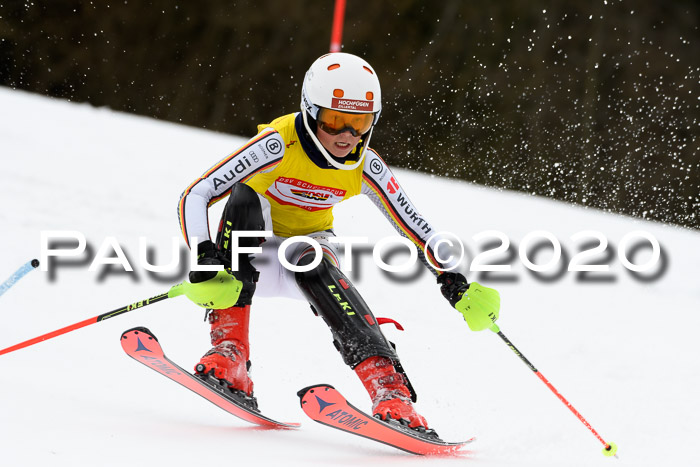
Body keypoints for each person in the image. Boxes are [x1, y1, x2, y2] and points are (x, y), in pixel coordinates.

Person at [177, 52, 500, 436]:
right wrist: (203, 255)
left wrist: (453, 278)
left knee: (312, 259)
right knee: (243, 200)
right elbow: (196, 194)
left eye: (360, 123)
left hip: (305, 253)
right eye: (335, 121)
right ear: (311, 112)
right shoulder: (278, 144)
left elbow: (418, 228)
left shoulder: (365, 165)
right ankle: (230, 355)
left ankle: (390, 393)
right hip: (249, 256)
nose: (348, 136)